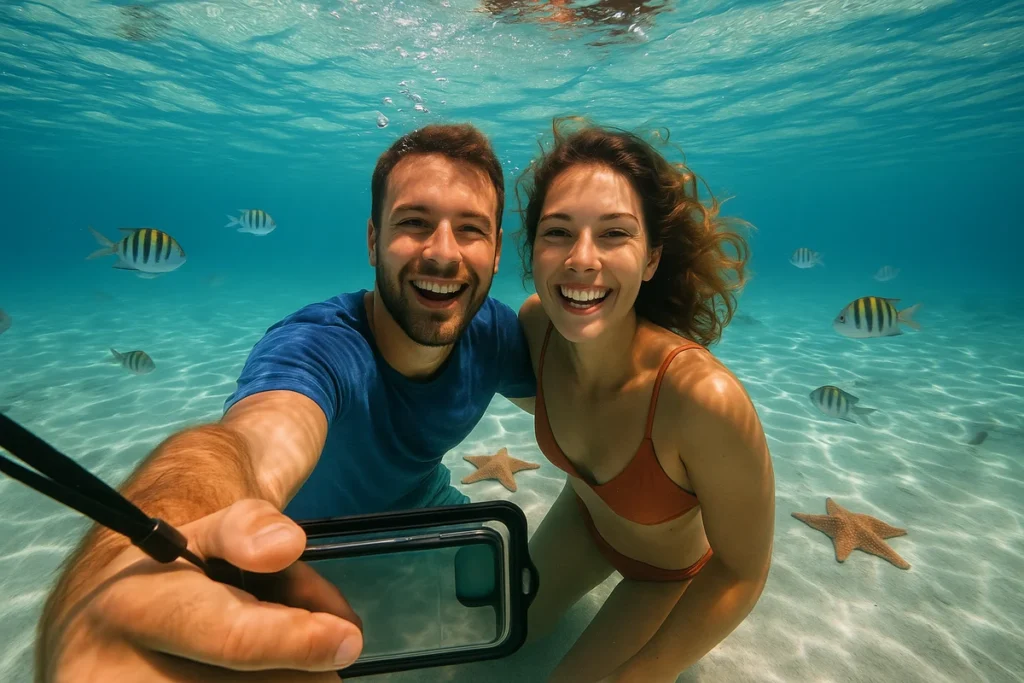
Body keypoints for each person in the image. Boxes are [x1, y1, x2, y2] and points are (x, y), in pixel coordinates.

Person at [34, 123, 536, 682]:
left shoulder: (496, 334)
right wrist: (119, 572)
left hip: (425, 509)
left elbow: (573, 410)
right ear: (373, 240)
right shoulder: (317, 347)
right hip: (307, 554)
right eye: (413, 223)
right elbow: (249, 442)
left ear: (496, 255)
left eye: (470, 229)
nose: (443, 253)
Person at [515, 119, 775, 683]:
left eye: (614, 234)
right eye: (557, 232)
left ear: (652, 258)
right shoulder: (536, 326)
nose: (582, 260)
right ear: (532, 249)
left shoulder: (702, 400)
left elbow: (743, 571)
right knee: (495, 635)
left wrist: (647, 672)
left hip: (667, 574)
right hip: (581, 523)